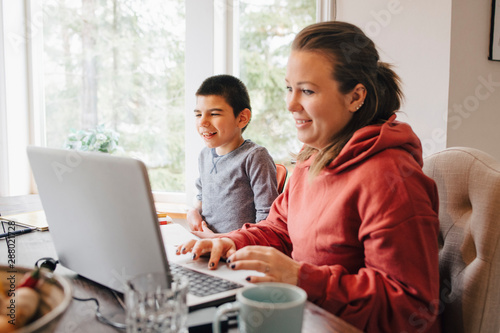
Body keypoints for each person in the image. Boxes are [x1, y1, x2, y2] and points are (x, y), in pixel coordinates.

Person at [177, 22, 441, 332]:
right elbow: (280, 228)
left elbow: (411, 307)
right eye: (290, 88)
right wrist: (230, 242)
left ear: (355, 96)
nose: (290, 104)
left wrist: (301, 278)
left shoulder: (392, 178)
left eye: (308, 91)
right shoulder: (312, 156)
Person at [187, 74, 279, 238]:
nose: (202, 122)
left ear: (242, 118)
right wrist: (194, 211)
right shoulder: (204, 155)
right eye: (198, 114)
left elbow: (267, 220)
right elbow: (202, 195)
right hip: (208, 245)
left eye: (214, 114)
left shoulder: (255, 157)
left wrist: (221, 239)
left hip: (239, 251)